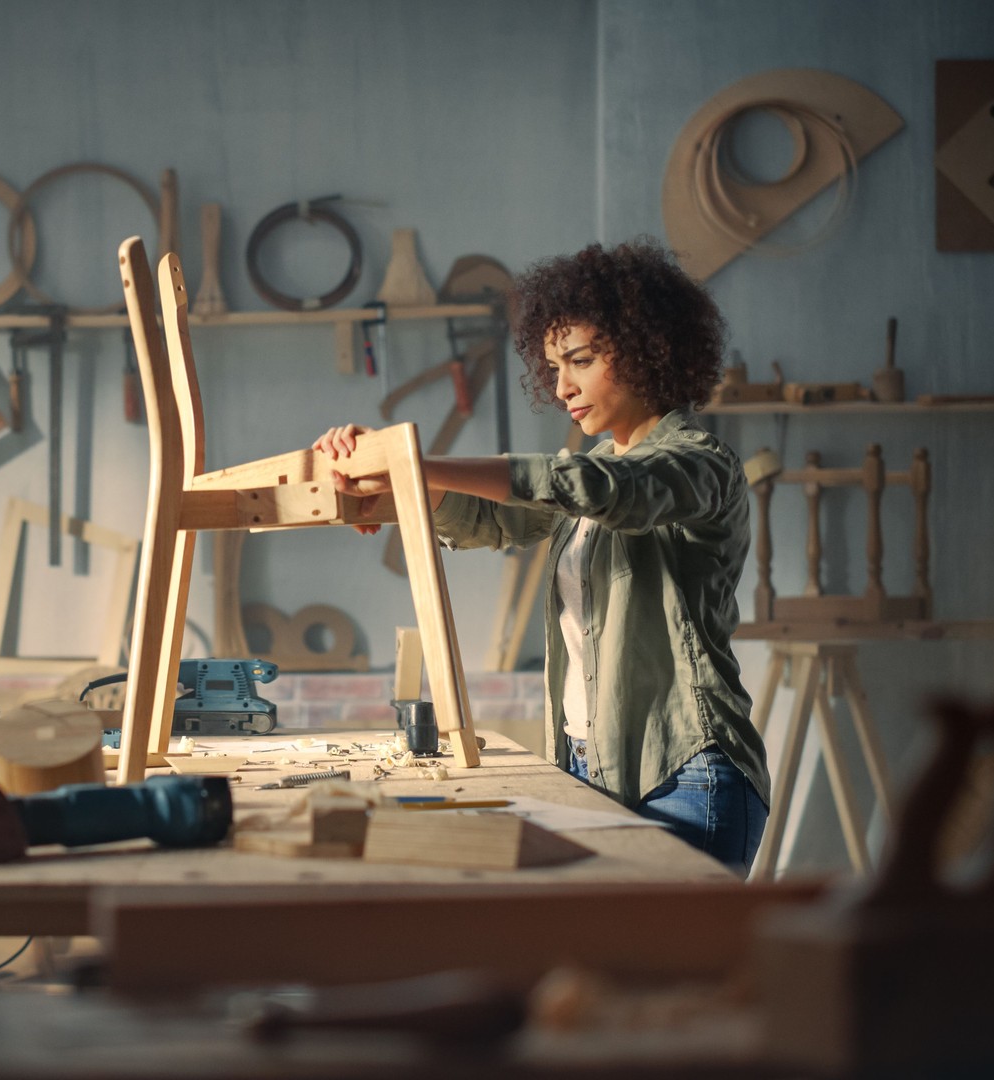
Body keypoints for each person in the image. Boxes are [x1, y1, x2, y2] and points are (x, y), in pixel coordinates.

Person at [312, 238, 769, 871]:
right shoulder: (598, 467)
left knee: (670, 968)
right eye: (552, 367)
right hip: (590, 767)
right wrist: (388, 486)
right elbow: (487, 517)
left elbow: (611, 493)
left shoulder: (698, 464)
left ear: (646, 349)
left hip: (686, 772)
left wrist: (412, 462)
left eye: (579, 361)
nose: (562, 387)